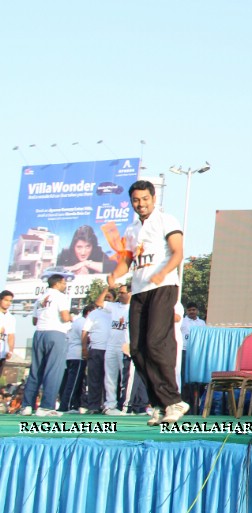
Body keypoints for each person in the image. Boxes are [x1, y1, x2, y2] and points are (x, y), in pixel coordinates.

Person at [107, 180, 189, 425]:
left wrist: (163, 272)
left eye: (145, 199)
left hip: (162, 287)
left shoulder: (166, 220)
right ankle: (160, 404)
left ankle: (175, 401)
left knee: (156, 342)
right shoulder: (132, 230)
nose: (140, 204)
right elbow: (127, 260)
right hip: (140, 290)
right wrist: (114, 275)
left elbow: (178, 252)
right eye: (135, 200)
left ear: (154, 198)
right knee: (137, 349)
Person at [20, 274, 72, 416]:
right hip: (55, 333)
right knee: (54, 370)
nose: (65, 285)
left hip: (39, 334)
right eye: (64, 283)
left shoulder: (40, 298)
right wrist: (72, 317)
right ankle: (46, 407)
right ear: (58, 283)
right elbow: (65, 317)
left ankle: (27, 406)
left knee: (35, 370)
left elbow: (34, 321)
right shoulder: (61, 297)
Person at [95, 284, 131, 415]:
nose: (120, 295)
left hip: (125, 347)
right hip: (111, 346)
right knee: (110, 376)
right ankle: (110, 405)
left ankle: (125, 406)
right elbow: (98, 302)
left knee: (125, 378)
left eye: (123, 293)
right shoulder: (114, 306)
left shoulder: (134, 308)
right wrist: (106, 288)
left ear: (130, 293)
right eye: (119, 293)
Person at [81, 299, 112, 414]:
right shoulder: (94, 313)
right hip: (96, 350)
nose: (107, 300)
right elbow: (85, 332)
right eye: (105, 298)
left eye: (109, 297)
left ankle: (108, 405)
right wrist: (84, 348)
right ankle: (93, 406)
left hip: (112, 350)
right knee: (94, 379)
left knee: (110, 380)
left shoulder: (116, 311)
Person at [58, 305, 90, 411]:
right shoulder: (83, 322)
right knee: (74, 382)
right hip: (78, 355)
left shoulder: (76, 322)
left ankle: (75, 405)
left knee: (76, 382)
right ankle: (67, 405)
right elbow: (84, 336)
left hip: (72, 354)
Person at [180, 303, 206, 410]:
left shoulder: (201, 323)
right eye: (190, 310)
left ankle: (196, 404)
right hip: (185, 350)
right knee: (184, 379)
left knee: (196, 380)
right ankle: (185, 403)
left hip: (197, 352)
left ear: (197, 311)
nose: (192, 312)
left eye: (194, 310)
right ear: (187, 311)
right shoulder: (183, 321)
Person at [0, 291, 16, 379]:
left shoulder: (11, 318)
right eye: (6, 300)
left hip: (2, 351)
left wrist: (10, 350)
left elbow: (11, 335)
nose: (8, 303)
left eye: (10, 301)